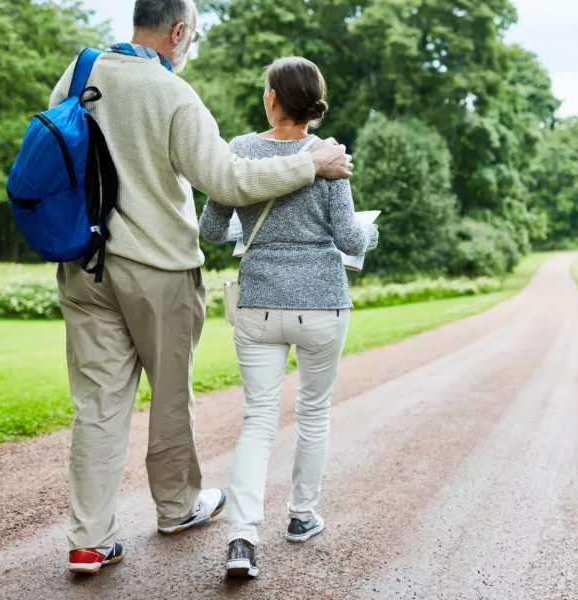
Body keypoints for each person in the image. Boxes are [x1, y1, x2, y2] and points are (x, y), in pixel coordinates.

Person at [52, 0, 354, 575]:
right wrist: (310, 164)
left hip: (84, 263)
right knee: (169, 396)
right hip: (157, 267)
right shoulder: (171, 94)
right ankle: (177, 506)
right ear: (179, 30)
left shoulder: (79, 72)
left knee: (96, 404)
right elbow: (227, 180)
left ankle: (89, 540)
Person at [199, 56, 379, 579]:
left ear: (272, 99)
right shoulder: (328, 154)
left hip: (259, 305)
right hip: (323, 304)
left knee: (258, 420)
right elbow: (349, 238)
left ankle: (241, 539)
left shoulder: (238, 150)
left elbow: (211, 230)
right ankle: (301, 517)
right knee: (314, 413)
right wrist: (371, 234)